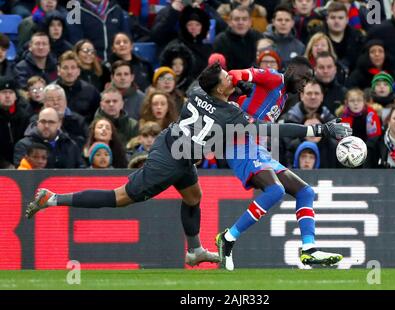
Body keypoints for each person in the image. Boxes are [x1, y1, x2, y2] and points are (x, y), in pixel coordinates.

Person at [25, 63, 349, 268]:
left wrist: (236, 84)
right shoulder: (231, 116)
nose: (231, 78)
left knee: (193, 197)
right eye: (227, 79)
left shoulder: (196, 89)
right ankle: (53, 198)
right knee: (120, 196)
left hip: (180, 149)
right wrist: (318, 129)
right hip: (169, 159)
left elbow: (216, 78)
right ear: (220, 88)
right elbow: (270, 130)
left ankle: (194, 251)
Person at [215, 64, 351, 270]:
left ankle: (309, 249)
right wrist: (239, 83)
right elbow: (234, 74)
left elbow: (268, 125)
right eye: (303, 79)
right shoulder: (272, 78)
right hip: (237, 144)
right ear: (292, 71)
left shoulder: (283, 98)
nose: (303, 86)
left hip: (255, 147)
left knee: (305, 191)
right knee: (276, 190)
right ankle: (228, 237)